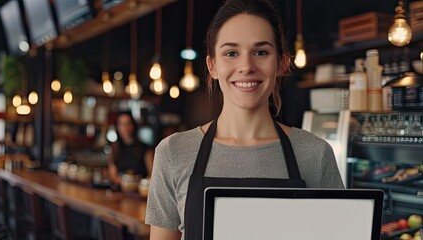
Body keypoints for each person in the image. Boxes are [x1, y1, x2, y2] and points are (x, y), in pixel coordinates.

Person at [145, 0, 345, 239]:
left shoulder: (314, 153)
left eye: (261, 52)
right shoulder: (173, 152)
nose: (246, 66)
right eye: (231, 53)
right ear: (213, 66)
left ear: (281, 63)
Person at [108, 111, 155, 186]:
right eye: (121, 124)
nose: (124, 127)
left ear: (133, 126)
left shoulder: (145, 149)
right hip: (120, 191)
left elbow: (152, 176)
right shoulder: (115, 147)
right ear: (117, 127)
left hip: (139, 191)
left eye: (127, 124)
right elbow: (113, 176)